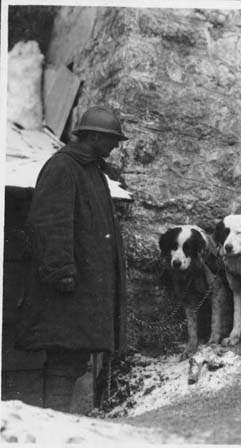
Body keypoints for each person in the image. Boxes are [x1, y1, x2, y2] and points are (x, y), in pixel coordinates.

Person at [16, 106, 128, 412]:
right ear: (91, 136)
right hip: (66, 289)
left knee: (73, 359)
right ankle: (54, 426)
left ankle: (58, 424)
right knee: (63, 361)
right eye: (110, 139)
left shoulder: (90, 169)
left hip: (82, 289)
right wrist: (60, 270)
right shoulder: (63, 167)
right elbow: (49, 222)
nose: (114, 146)